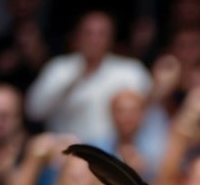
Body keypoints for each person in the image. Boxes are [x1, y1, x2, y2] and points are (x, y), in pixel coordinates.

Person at [24, 10, 152, 144]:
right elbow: (33, 111)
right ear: (76, 36)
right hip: (64, 153)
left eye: (101, 34)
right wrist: (72, 78)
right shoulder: (58, 68)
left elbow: (150, 110)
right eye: (88, 33)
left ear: (111, 38)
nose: (94, 40)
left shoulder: (131, 70)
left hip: (111, 156)